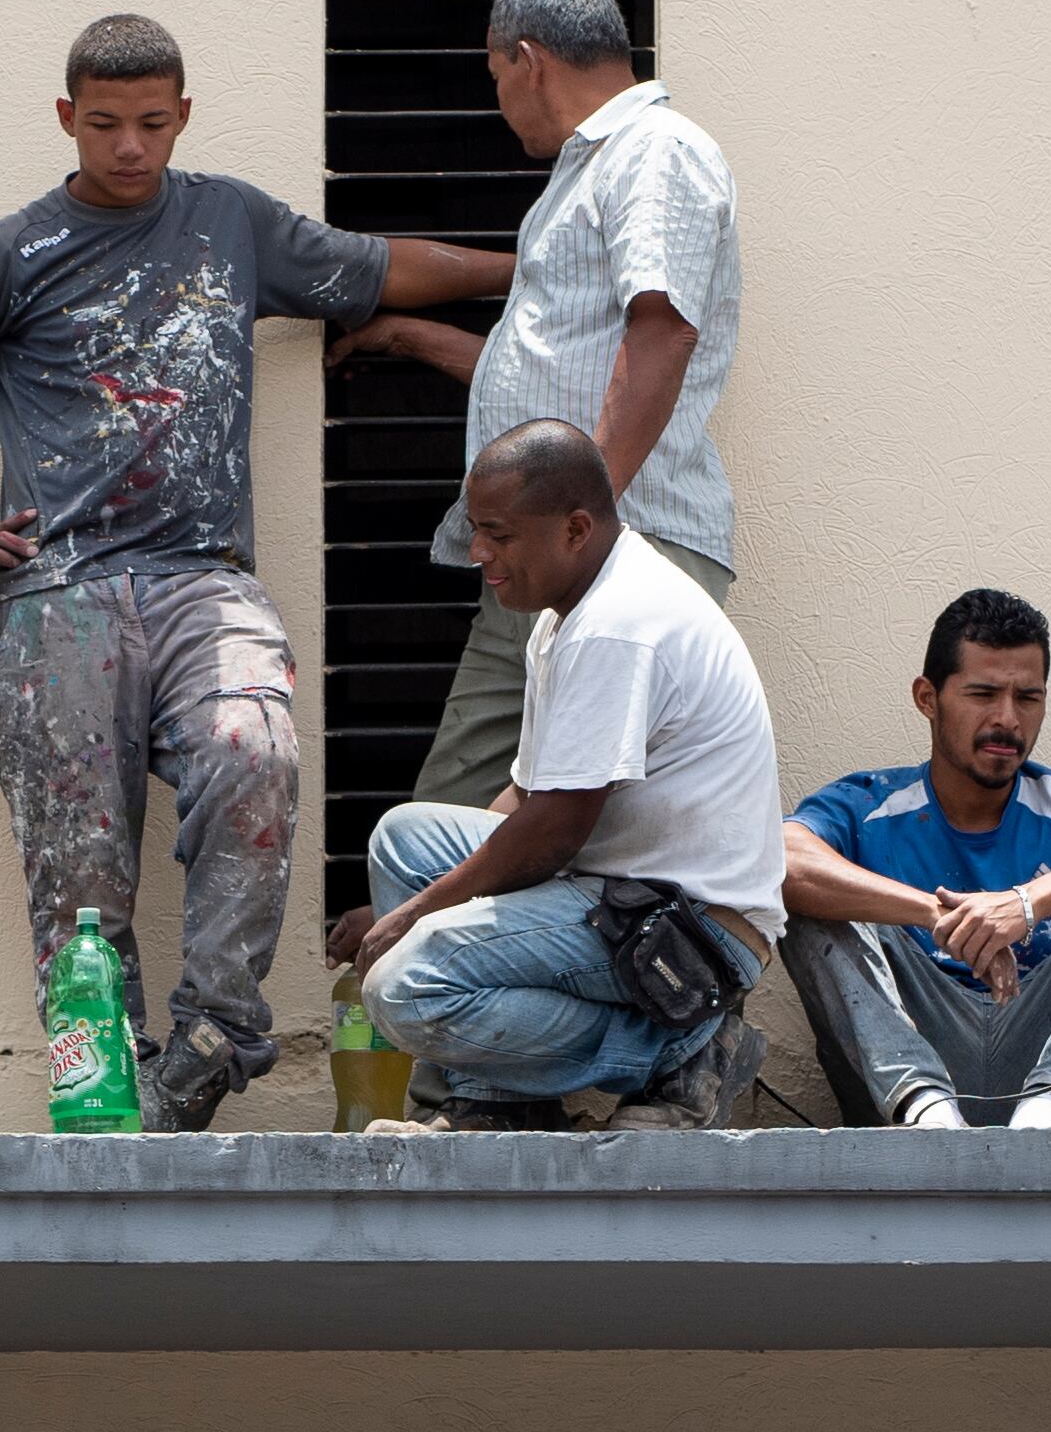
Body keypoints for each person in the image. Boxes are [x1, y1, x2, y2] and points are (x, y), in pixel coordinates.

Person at [0, 15, 514, 1129]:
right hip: (56, 593)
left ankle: (215, 1033)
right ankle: (103, 1089)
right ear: (67, 118)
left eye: (151, 123)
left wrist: (537, 261)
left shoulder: (228, 221)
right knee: (80, 868)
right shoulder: (8, 252)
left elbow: (380, 264)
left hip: (201, 579)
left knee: (254, 750)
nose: (128, 147)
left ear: (182, 116)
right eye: (104, 124)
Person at [353, 0, 744, 809]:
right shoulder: (585, 174)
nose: (499, 102)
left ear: (527, 60)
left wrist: (588, 526)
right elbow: (544, 369)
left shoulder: (654, 150)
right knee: (444, 823)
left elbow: (663, 327)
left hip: (617, 546)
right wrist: (407, 335)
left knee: (578, 837)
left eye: (495, 78)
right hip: (551, 554)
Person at [330, 422, 783, 1130]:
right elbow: (527, 797)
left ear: (575, 529)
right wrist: (415, 895)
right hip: (619, 894)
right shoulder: (567, 613)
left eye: (498, 534)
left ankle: (677, 1054)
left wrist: (415, 915)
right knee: (402, 841)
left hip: (692, 934)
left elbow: (552, 834)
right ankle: (503, 1104)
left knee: (403, 986)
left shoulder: (615, 624)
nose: (478, 552)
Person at [783, 590, 1051, 1134]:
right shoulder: (868, 804)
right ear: (927, 697)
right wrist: (938, 917)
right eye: (983, 693)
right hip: (904, 1089)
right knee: (807, 895)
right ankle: (925, 1108)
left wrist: (1022, 905)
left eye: (1027, 698)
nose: (1007, 719)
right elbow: (783, 860)